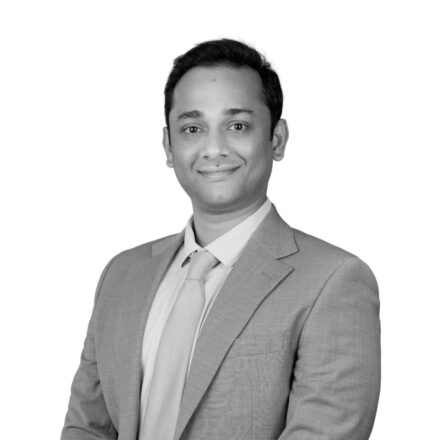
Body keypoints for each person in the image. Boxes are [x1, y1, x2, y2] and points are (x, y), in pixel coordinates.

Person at [61, 38, 381, 440]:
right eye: (193, 129)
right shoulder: (122, 274)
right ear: (169, 146)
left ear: (277, 139)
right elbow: (87, 426)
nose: (214, 149)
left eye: (237, 126)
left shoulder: (333, 280)